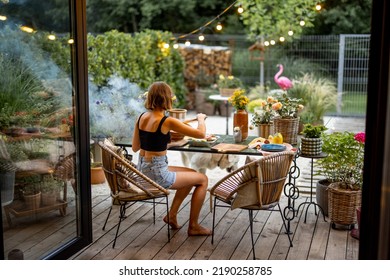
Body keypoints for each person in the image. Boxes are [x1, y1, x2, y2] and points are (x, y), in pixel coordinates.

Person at [132, 81, 212, 236]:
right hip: (157, 174)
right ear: (166, 98)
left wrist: (164, 142)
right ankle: (194, 226)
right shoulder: (167, 121)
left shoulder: (141, 117)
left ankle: (172, 215)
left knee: (190, 173)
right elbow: (201, 134)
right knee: (202, 179)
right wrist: (201, 119)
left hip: (142, 170)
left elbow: (136, 147)